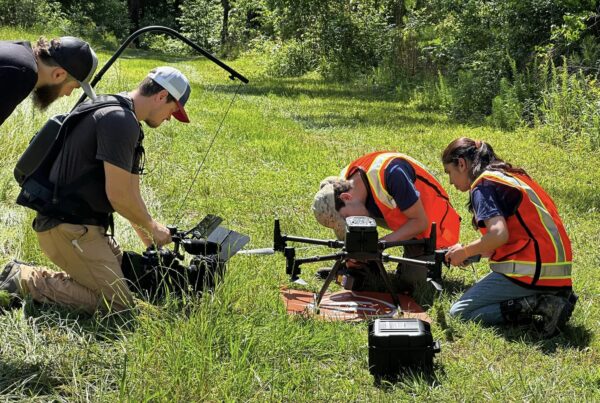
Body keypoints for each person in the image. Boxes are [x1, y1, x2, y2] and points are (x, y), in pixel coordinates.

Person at [0, 66, 192, 313]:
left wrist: (151, 242)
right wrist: (154, 228)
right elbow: (119, 196)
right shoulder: (120, 121)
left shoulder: (118, 111)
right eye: (172, 110)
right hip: (68, 229)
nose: (169, 118)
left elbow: (131, 195)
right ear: (162, 96)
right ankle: (23, 279)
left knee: (127, 281)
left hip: (82, 225)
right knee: (119, 304)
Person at [442, 137, 577, 337]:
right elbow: (504, 240)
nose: (451, 181)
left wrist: (465, 250)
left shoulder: (483, 186)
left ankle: (542, 304)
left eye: (449, 173)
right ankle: (548, 295)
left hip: (531, 272)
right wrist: (469, 254)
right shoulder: (507, 176)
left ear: (461, 164)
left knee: (460, 312)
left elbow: (498, 234)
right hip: (556, 272)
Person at [312, 151, 461, 288]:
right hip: (401, 212)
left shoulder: (392, 174)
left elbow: (420, 222)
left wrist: (378, 245)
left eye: (346, 218)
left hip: (432, 222)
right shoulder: (346, 183)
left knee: (412, 284)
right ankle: (362, 266)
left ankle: (423, 255)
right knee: (358, 235)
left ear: (346, 197)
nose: (349, 222)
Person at [0, 36, 98, 127]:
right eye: (73, 87)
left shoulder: (19, 50)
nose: (68, 94)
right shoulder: (21, 73)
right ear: (58, 75)